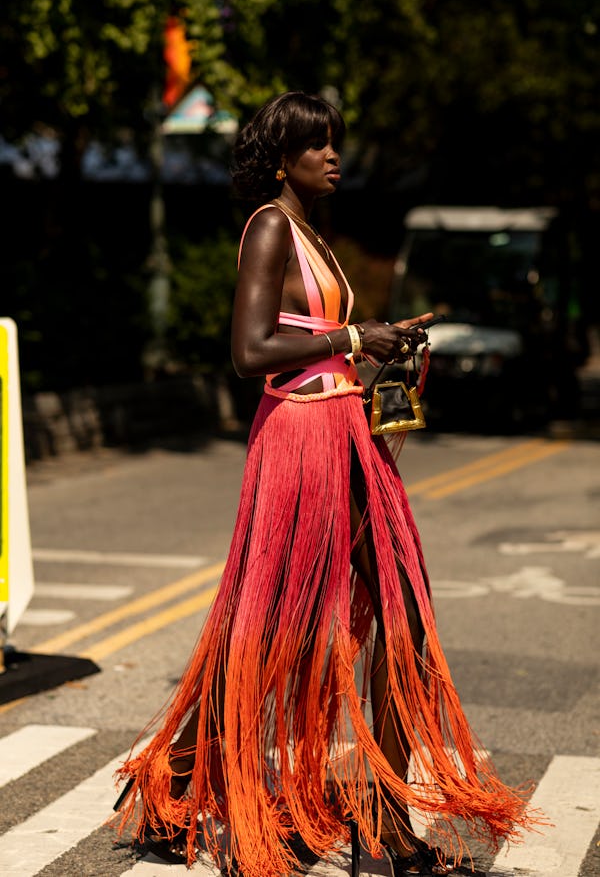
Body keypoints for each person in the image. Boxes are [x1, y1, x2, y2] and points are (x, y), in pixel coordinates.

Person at [114, 92, 538, 877]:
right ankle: (176, 781)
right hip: (299, 444)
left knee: (400, 615)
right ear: (283, 160)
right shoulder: (271, 227)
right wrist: (353, 333)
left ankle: (382, 821)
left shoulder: (316, 233)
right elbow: (249, 350)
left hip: (345, 436)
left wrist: (380, 353)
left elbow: (315, 345)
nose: (333, 156)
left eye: (336, 143)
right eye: (317, 145)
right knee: (274, 633)